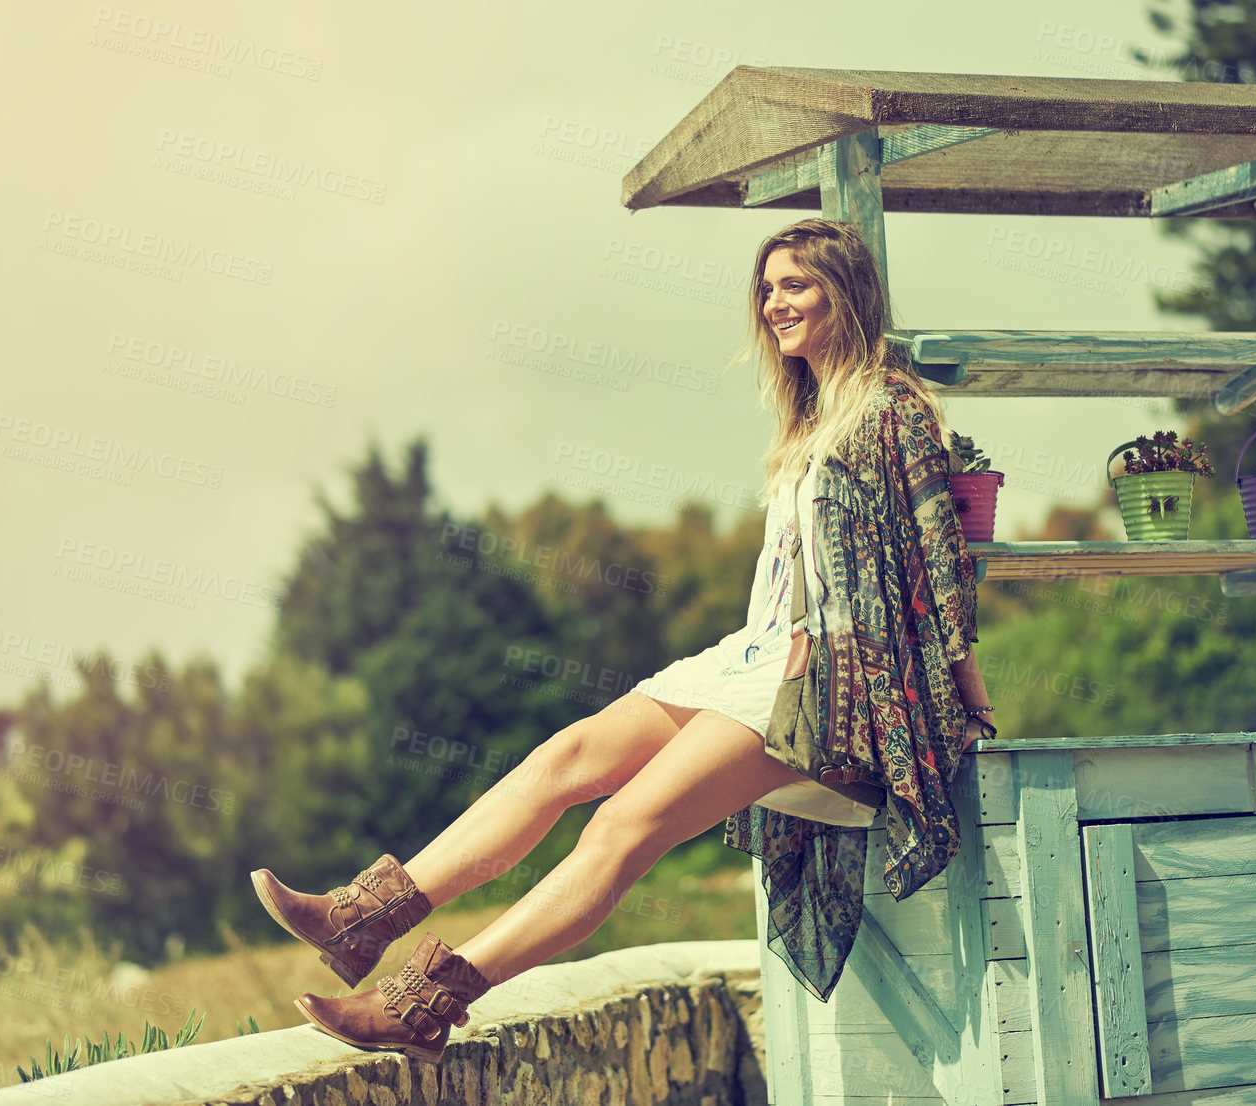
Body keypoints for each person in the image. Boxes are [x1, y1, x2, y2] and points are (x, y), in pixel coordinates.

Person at [250, 217, 995, 1065]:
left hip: (832, 687)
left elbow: (941, 570)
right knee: (561, 758)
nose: (773, 303)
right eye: (766, 287)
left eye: (795, 285)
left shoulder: (894, 412)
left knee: (623, 825)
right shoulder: (809, 417)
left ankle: (423, 1004)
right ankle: (360, 919)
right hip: (757, 655)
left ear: (846, 292)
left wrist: (967, 703)